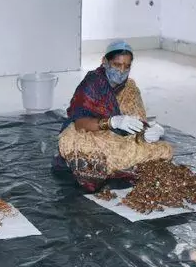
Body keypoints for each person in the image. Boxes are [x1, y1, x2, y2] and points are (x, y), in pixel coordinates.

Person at [57, 40, 172, 192]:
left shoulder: (130, 88)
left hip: (121, 140)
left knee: (165, 150)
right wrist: (112, 122)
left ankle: (112, 166)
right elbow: (80, 123)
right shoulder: (93, 83)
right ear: (105, 62)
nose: (122, 71)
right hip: (92, 133)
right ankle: (122, 166)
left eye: (127, 66)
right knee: (71, 141)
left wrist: (149, 134)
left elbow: (138, 122)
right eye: (117, 65)